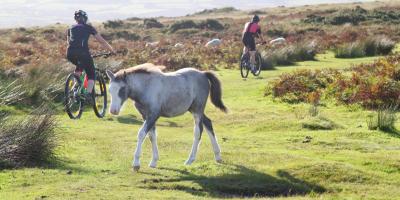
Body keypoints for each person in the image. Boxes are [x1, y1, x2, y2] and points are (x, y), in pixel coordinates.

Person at [66, 10, 115, 104]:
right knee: (91, 74)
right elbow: (102, 41)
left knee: (80, 66)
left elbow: (69, 42)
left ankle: (74, 88)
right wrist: (111, 50)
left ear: (75, 19)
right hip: (83, 53)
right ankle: (87, 94)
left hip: (70, 53)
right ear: (85, 18)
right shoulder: (88, 27)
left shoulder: (70, 28)